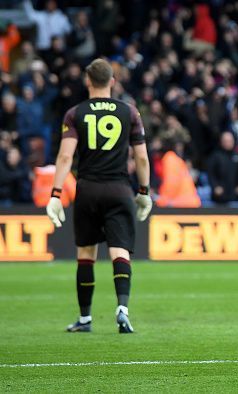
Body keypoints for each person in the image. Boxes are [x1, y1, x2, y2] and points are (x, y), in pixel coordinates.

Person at [45, 59, 152, 334]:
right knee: (119, 250)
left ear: (87, 81)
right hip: (119, 189)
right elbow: (141, 157)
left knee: (86, 254)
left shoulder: (75, 113)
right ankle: (123, 309)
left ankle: (84, 318)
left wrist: (56, 194)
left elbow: (66, 156)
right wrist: (144, 191)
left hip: (88, 189)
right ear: (112, 82)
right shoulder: (129, 112)